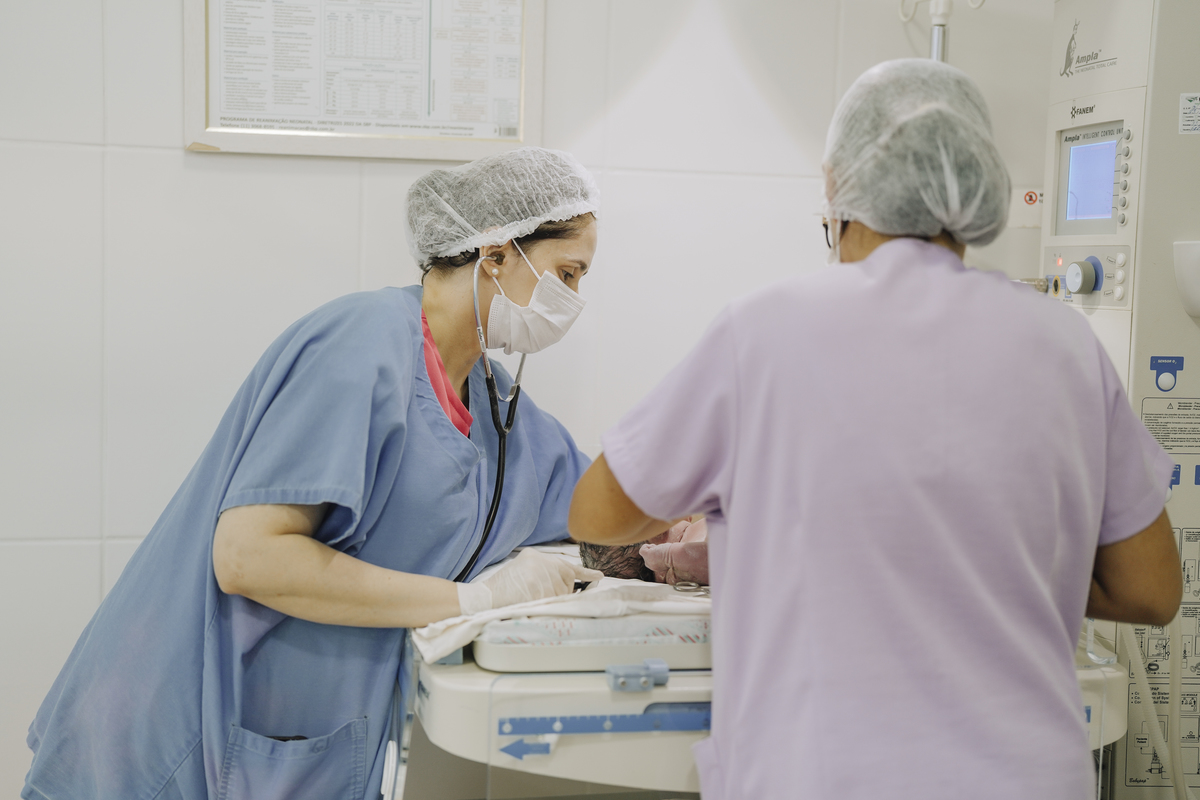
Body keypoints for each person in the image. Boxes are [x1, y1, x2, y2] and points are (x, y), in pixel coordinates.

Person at [568, 60, 1182, 800]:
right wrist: (989, 570)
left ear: (836, 188)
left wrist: (766, 537)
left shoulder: (765, 330)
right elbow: (1151, 590)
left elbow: (596, 514)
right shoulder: (1066, 344)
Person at [23, 146, 603, 800]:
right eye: (568, 273)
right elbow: (249, 557)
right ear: (496, 255)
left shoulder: (490, 398)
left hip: (294, 744)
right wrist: (472, 604)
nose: (573, 299)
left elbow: (601, 504)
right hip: (169, 737)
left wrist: (678, 532)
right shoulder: (360, 345)